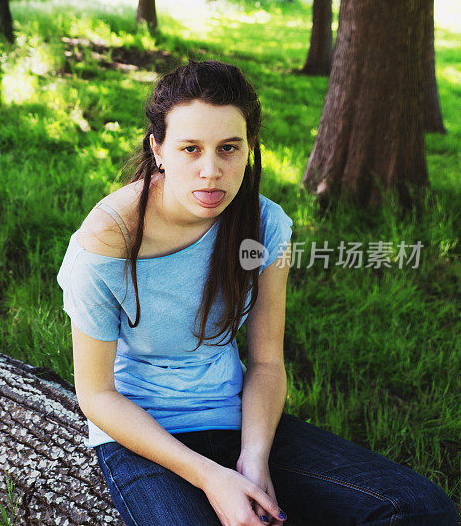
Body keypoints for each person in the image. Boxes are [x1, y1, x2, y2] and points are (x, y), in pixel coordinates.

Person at [55, 60, 458, 525]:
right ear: (158, 150)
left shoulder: (262, 226)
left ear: (249, 148)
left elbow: (266, 361)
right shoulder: (108, 241)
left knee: (420, 508)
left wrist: (253, 458)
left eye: (229, 148)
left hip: (235, 419)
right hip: (144, 434)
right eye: (190, 149)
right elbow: (97, 394)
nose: (211, 171)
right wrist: (211, 477)